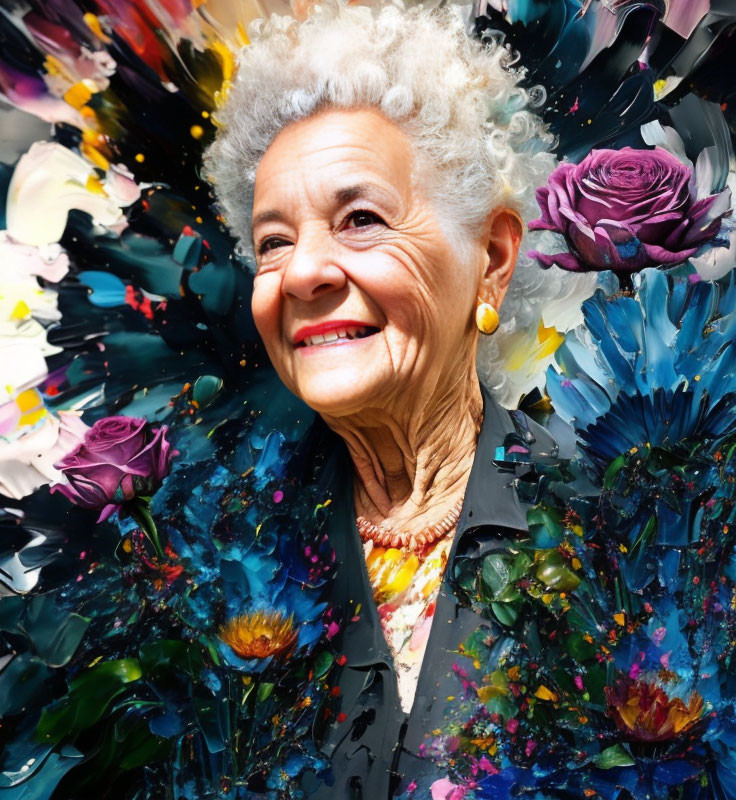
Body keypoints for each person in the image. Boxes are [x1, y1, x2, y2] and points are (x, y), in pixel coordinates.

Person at [204, 2, 571, 796]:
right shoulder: (211, 561)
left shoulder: (627, 536)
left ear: (493, 260)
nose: (304, 273)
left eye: (361, 219)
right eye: (274, 241)